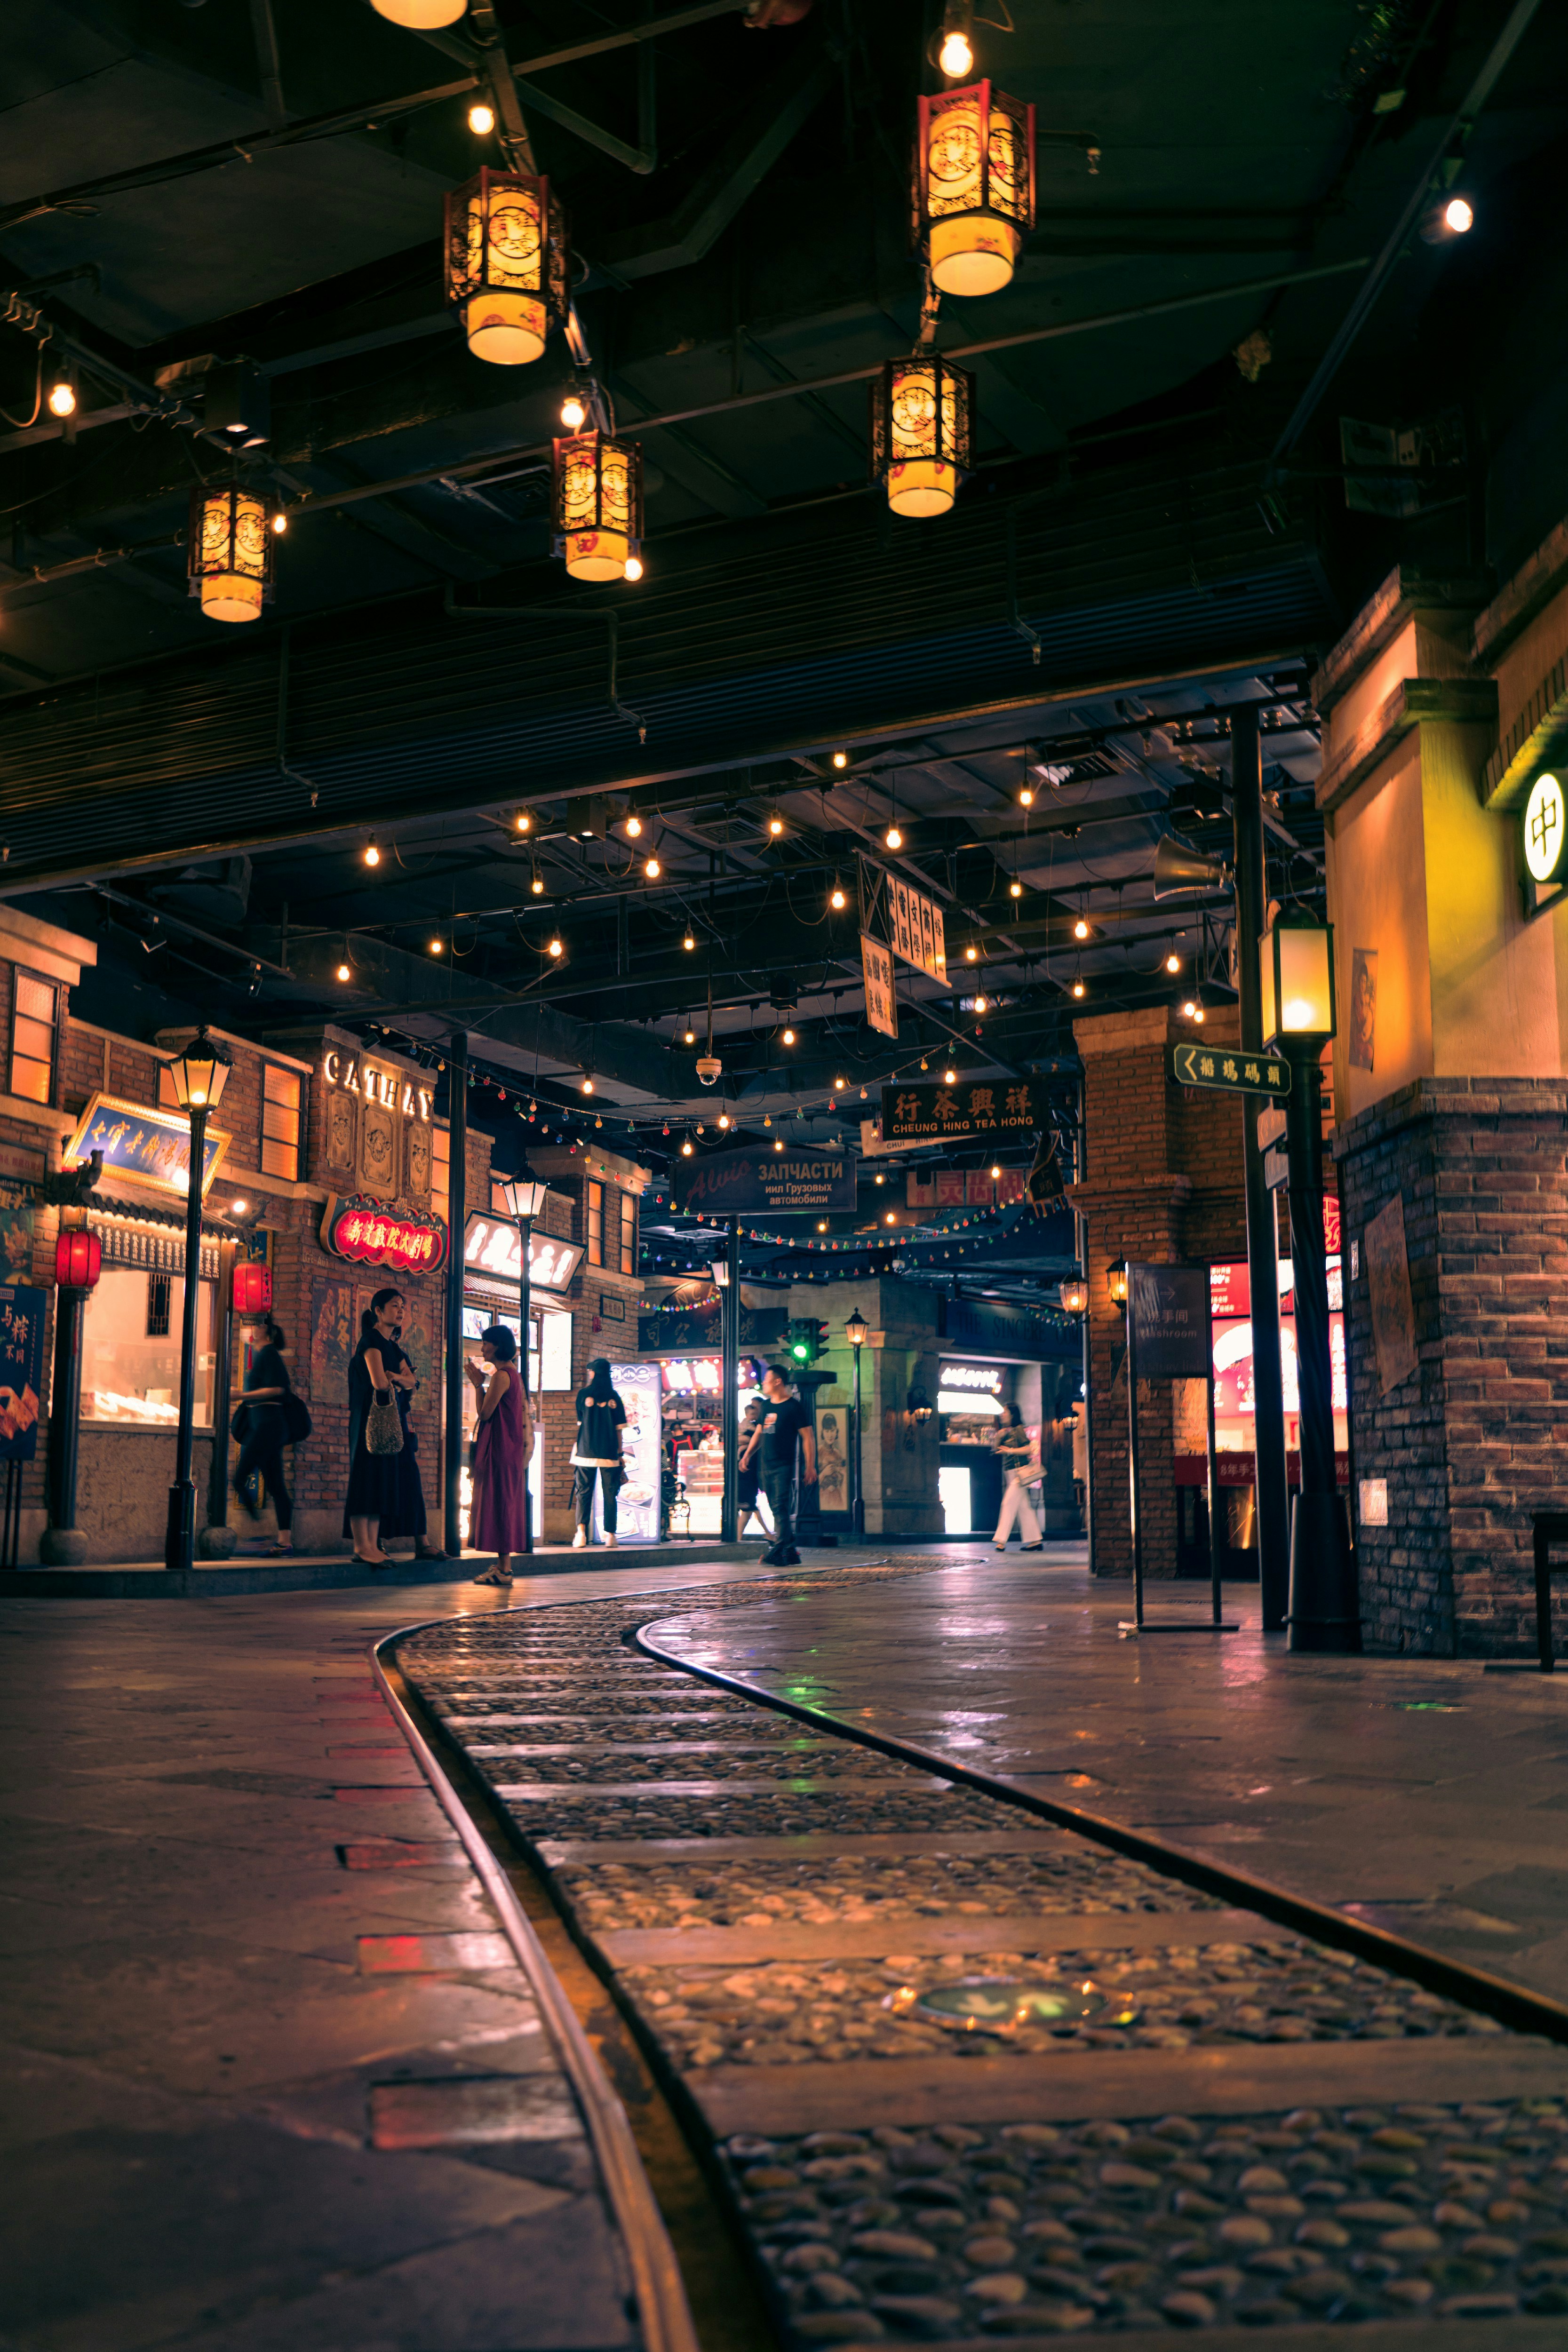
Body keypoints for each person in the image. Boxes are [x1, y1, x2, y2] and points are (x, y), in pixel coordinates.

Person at [342, 1287, 446, 1566]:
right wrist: (395, 1378)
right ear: (378, 1311)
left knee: (380, 1480)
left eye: (402, 1306)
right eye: (394, 1306)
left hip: (389, 1422)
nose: (400, 1311)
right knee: (366, 1479)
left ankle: (372, 1546)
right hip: (369, 1420)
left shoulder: (393, 1346)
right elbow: (379, 1382)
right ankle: (362, 1547)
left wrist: (396, 1377)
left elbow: (412, 1381)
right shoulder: (372, 1342)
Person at [470, 1325, 533, 1587]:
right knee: (504, 1503)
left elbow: (485, 1414)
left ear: (496, 1346)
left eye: (485, 1344)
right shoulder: (514, 1375)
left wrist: (477, 1385)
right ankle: (502, 1566)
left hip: (500, 1449)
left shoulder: (501, 1376)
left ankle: (504, 1569)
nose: (482, 1349)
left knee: (500, 1504)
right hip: (508, 1450)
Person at [235, 1316, 294, 1554]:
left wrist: (241, 1395)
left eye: (258, 1326)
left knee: (240, 1479)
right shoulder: (262, 1355)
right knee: (277, 1486)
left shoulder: (269, 1355)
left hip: (269, 1427)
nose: (253, 1329)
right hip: (267, 1427)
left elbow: (279, 1389)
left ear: (265, 1331)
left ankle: (254, 1530)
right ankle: (284, 1542)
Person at [756, 1363, 816, 1566]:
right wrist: (747, 1456)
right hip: (765, 1464)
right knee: (775, 1508)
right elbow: (759, 1433)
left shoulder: (794, 1406)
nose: (763, 1382)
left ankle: (780, 1548)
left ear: (778, 1381)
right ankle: (789, 1550)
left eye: (766, 1379)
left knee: (780, 1506)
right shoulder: (765, 1406)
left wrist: (810, 1466)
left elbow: (808, 1436)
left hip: (783, 1465)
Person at [572, 1357, 626, 1549]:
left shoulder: (583, 1394)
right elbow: (619, 1430)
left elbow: (581, 1423)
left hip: (586, 1450)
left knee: (583, 1493)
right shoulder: (615, 1397)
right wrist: (620, 1455)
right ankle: (610, 1536)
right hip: (609, 1452)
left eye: (590, 1372)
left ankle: (581, 1534)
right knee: (610, 1494)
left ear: (594, 1373)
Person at [992, 1402, 1043, 1552]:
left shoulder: (1018, 1430)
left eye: (1005, 1412)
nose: (1002, 1415)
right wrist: (999, 1437)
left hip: (1019, 1474)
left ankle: (1001, 1541)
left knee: (1008, 1504)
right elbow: (996, 1450)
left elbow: (1029, 1449)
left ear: (1012, 1415)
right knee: (1024, 1509)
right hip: (1011, 1474)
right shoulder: (1007, 1431)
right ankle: (1035, 1541)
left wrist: (1011, 1451)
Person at [737, 1398, 773, 1540]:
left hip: (751, 1470)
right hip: (747, 1470)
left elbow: (762, 1439)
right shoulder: (750, 1425)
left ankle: (739, 1538)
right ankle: (769, 1534)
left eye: (756, 1407)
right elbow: (741, 1440)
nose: (756, 1411)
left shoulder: (763, 1423)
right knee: (750, 1506)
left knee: (748, 1509)